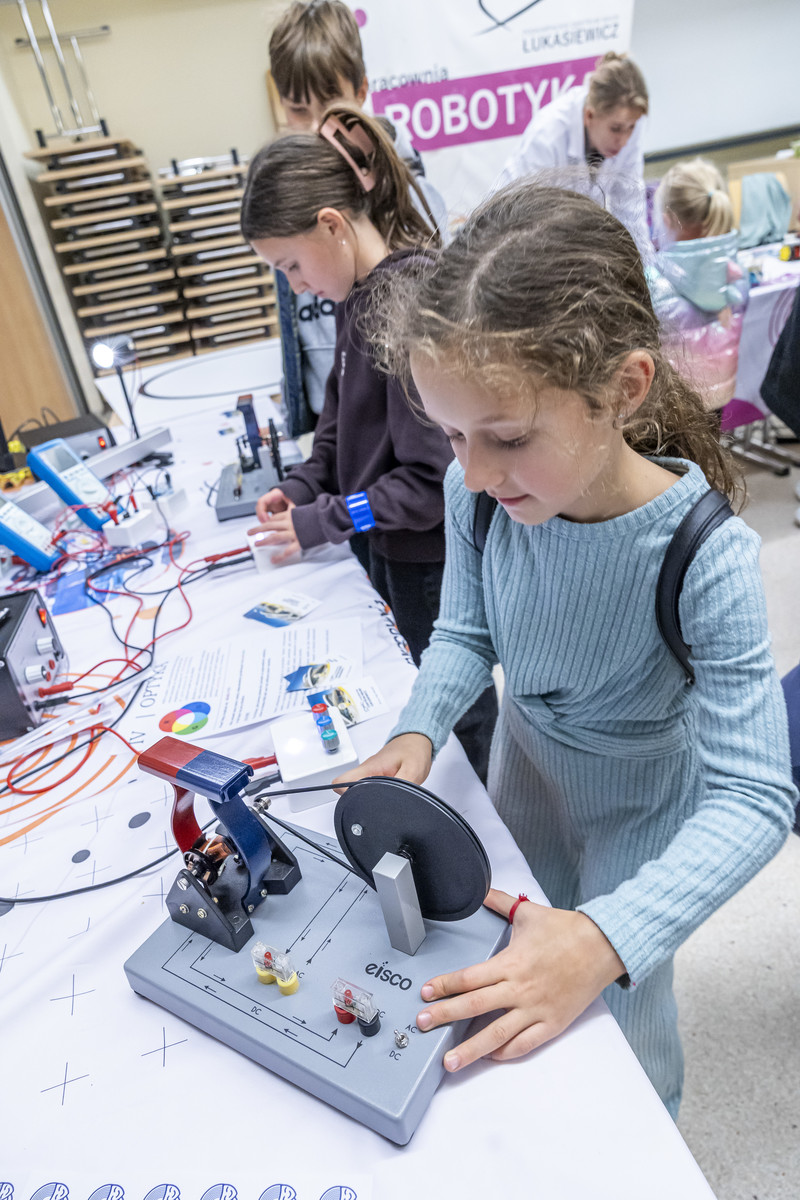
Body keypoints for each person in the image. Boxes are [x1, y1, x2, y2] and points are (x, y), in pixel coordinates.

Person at [334, 181, 797, 1118]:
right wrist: (419, 729)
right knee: (509, 975)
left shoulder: (706, 556)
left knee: (620, 1015)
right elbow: (466, 630)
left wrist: (604, 939)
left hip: (641, 814)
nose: (472, 471)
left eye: (506, 437)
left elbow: (755, 797)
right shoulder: (478, 495)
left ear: (623, 388)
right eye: (452, 434)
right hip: (526, 783)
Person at [241, 103, 497, 782]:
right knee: (407, 707)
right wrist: (301, 487)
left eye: (292, 265)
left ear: (332, 225)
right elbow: (335, 431)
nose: (295, 285)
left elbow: (431, 482)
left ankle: (491, 823)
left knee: (458, 719)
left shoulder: (407, 302)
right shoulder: (356, 299)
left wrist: (324, 518)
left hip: (427, 564)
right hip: (383, 549)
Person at [268, 0, 447, 436]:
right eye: (298, 110)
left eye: (331, 102)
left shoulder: (411, 194)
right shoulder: (292, 195)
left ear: (362, 90)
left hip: (403, 429)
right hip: (331, 420)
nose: (316, 127)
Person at [497, 52, 650, 255]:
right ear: (589, 115)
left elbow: (630, 208)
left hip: (570, 236)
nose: (623, 140)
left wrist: (645, 264)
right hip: (511, 234)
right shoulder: (547, 136)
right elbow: (531, 222)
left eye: (631, 128)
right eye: (615, 129)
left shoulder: (628, 124)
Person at [649, 158, 749, 411]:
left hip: (671, 410)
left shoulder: (652, 280)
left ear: (667, 220)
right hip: (718, 397)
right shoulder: (738, 274)